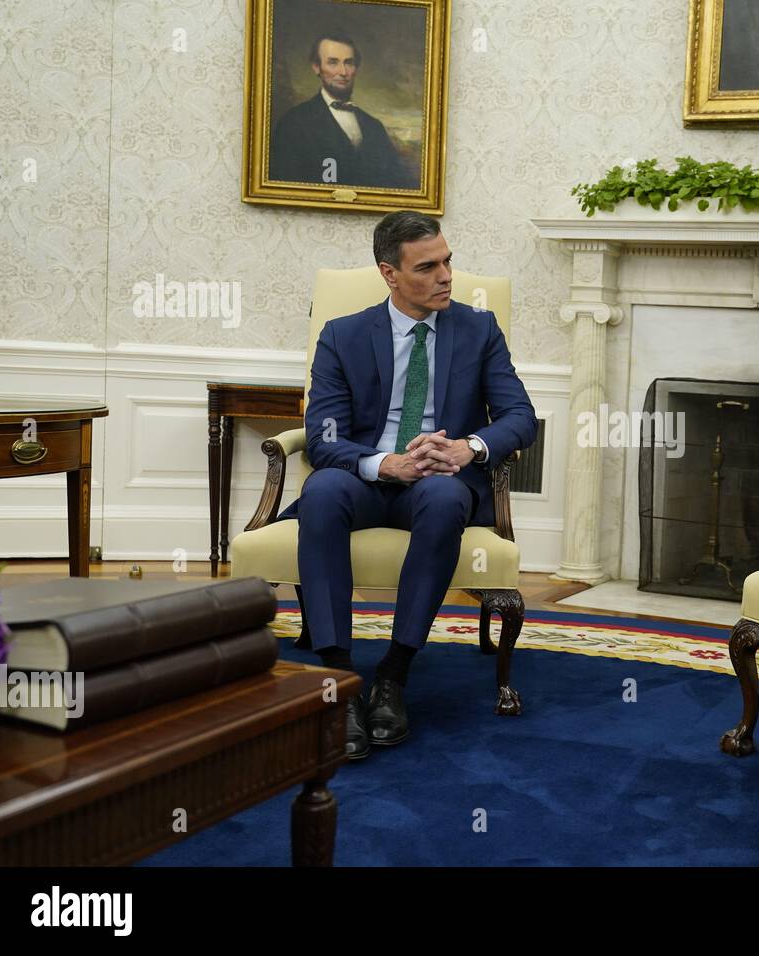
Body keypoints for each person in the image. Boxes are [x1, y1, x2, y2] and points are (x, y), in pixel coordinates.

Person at [278, 211, 537, 760]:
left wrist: (469, 448)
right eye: (428, 267)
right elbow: (322, 438)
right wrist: (383, 464)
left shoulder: (478, 329)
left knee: (445, 497)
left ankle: (394, 675)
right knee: (322, 490)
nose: (446, 276)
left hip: (439, 481)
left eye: (448, 261)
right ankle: (340, 680)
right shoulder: (343, 335)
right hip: (369, 477)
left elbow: (519, 417)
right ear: (389, 274)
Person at [270, 33, 419, 189]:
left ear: (356, 68)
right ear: (316, 67)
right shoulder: (293, 122)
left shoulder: (374, 127)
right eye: (333, 62)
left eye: (349, 63)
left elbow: (395, 184)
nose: (343, 72)